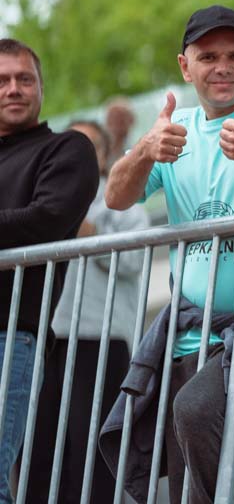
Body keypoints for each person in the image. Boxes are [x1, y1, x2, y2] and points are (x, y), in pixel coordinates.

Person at [99, 5, 234, 503]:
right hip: (187, 333)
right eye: (208, 57)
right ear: (185, 66)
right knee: (185, 479)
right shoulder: (174, 127)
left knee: (194, 410)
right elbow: (116, 197)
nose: (223, 67)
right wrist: (144, 150)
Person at [24, 120, 149, 504]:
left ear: (105, 154)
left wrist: (90, 232)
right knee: (39, 446)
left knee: (91, 447)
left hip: (102, 339)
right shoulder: (45, 199)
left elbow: (134, 260)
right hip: (48, 338)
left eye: (91, 145)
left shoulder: (123, 203)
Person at [0, 39, 99, 504]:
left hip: (10, 336)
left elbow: (48, 219)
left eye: (25, 79)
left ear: (41, 87)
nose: (13, 88)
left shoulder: (67, 149)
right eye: (2, 80)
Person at [104, 97, 136, 172]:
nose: (116, 120)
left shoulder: (137, 148)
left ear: (132, 120)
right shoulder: (98, 148)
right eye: (112, 116)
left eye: (121, 116)